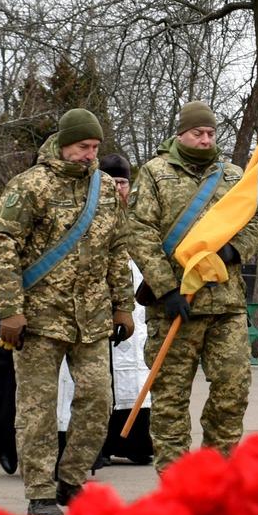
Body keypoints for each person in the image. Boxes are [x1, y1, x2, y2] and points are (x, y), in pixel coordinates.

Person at [0, 109, 132, 515]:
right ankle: (39, 492)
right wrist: (11, 310)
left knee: (98, 399)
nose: (90, 155)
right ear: (64, 143)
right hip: (38, 319)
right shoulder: (30, 186)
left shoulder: (105, 189)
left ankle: (71, 479)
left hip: (91, 317)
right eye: (84, 147)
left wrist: (123, 304)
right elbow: (2, 248)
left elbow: (117, 248)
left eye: (96, 148)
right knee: (38, 408)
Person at [127, 102, 258, 469]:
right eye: (197, 133)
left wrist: (234, 250)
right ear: (180, 135)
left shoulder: (234, 175)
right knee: (171, 400)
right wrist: (165, 289)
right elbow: (139, 231)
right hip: (175, 306)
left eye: (210, 133)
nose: (205, 140)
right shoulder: (155, 173)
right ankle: (175, 485)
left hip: (226, 306)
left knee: (232, 392)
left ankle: (215, 475)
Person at [96, 154, 153, 468]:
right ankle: (101, 444)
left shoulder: (139, 215)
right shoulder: (93, 213)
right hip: (104, 304)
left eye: (123, 182)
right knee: (104, 376)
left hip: (138, 301)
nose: (118, 187)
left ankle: (136, 442)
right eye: (112, 181)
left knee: (137, 370)